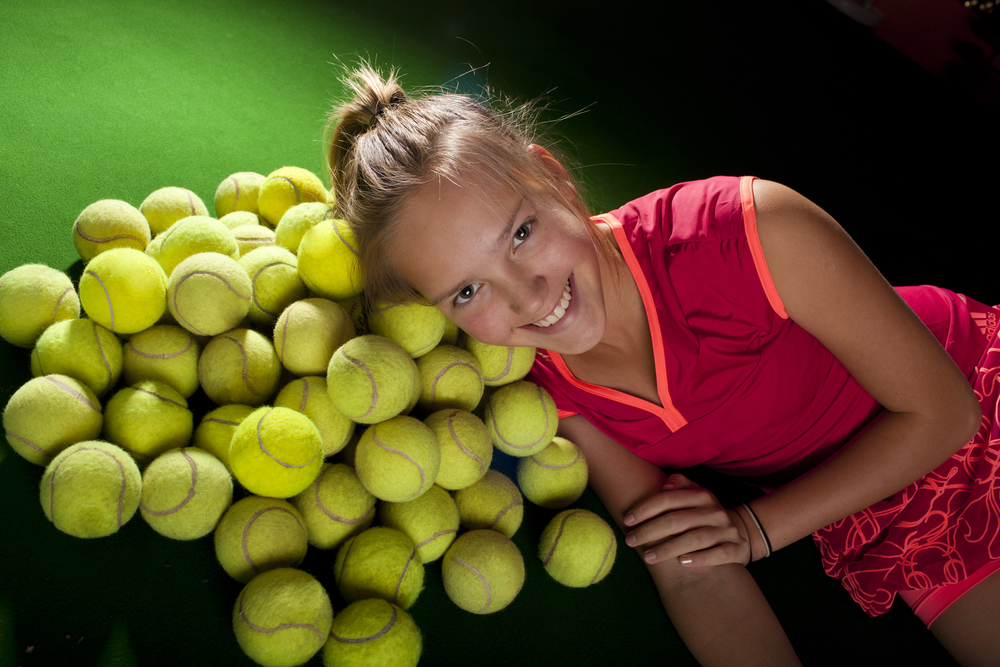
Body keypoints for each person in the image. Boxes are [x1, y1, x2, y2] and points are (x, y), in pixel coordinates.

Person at [324, 64, 1000, 666]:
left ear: (553, 175)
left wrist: (754, 529)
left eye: (521, 233)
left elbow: (945, 412)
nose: (527, 294)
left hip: (972, 388)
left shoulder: (749, 231)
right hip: (887, 507)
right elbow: (688, 567)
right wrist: (728, 541)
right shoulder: (547, 382)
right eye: (467, 291)